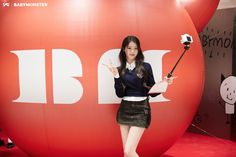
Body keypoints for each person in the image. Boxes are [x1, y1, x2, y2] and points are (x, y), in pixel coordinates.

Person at [105, 35, 173, 157]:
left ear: (139, 50)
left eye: (135, 48)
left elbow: (152, 92)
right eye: (129, 48)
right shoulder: (119, 70)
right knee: (126, 154)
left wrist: (165, 83)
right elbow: (120, 94)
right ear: (124, 49)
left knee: (128, 151)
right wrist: (116, 76)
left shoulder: (146, 67)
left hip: (141, 109)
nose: (132, 51)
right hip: (124, 109)